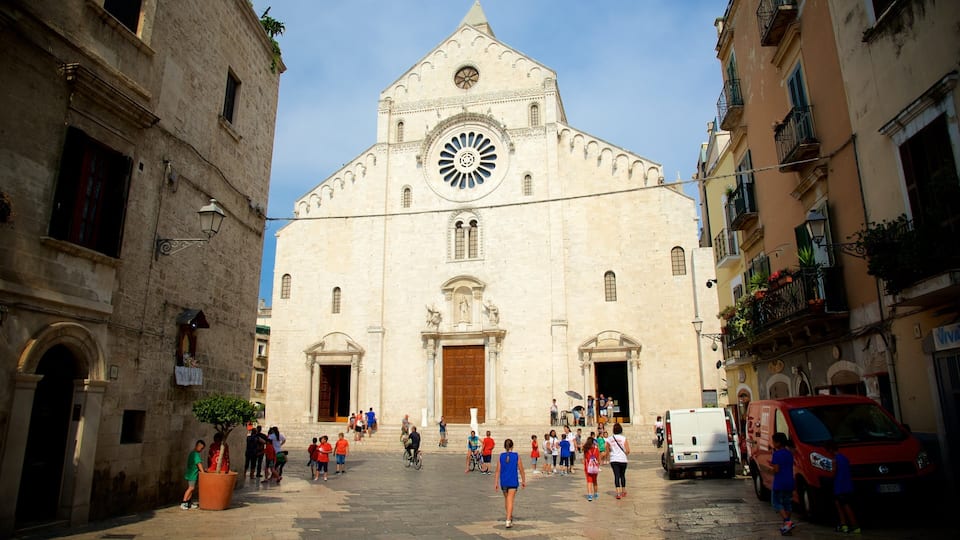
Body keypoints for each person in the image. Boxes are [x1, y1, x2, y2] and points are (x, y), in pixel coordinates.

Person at [766, 432, 796, 535]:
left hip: (780, 482)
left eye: (774, 441)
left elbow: (777, 469)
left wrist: (770, 469)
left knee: (776, 503)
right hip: (790, 481)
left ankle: (787, 522)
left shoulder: (776, 454)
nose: (773, 443)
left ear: (778, 443)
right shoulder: (789, 453)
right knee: (787, 503)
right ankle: (786, 527)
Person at [826, 441, 859, 534]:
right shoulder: (845, 458)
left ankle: (847, 525)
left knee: (842, 506)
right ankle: (851, 526)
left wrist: (829, 476)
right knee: (845, 505)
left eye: (828, 451)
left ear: (831, 450)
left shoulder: (835, 460)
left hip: (839, 486)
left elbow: (833, 473)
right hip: (848, 485)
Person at [493, 438, 526, 529]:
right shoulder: (516, 456)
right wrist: (523, 480)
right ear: (512, 446)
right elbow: (521, 469)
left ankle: (509, 516)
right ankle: (508, 520)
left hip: (504, 481)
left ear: (504, 447)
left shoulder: (501, 456)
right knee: (510, 499)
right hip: (513, 481)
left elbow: (497, 471)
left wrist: (496, 482)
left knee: (507, 499)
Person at [605, 422, 630, 499]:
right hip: (623, 459)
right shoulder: (623, 438)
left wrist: (607, 457)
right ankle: (623, 491)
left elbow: (607, 450)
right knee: (622, 475)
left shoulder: (609, 439)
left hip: (614, 459)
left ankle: (618, 493)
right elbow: (628, 450)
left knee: (616, 475)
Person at [181, 439, 205, 509]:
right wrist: (203, 472)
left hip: (192, 474)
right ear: (197, 446)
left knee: (192, 488)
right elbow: (199, 464)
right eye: (201, 448)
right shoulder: (195, 454)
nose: (201, 450)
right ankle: (184, 502)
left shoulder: (192, 453)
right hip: (192, 474)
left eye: (202, 448)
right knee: (191, 488)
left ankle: (188, 502)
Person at [582, 436, 601, 501]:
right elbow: (598, 459)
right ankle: (595, 494)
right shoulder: (596, 450)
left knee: (589, 481)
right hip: (595, 467)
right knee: (595, 480)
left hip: (588, 467)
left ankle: (590, 495)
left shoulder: (586, 450)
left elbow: (584, 458)